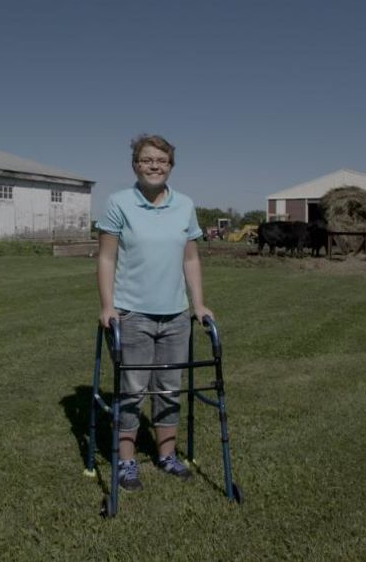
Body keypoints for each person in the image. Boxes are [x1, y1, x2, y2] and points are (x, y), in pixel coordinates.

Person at [96, 133, 214, 491]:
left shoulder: (185, 205)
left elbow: (190, 258)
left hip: (176, 315)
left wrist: (198, 304)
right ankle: (127, 461)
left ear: (171, 166)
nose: (154, 166)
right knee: (132, 389)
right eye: (147, 160)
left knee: (169, 388)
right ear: (135, 165)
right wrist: (107, 305)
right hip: (133, 313)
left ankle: (166, 455)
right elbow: (106, 258)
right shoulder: (119, 203)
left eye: (161, 161)